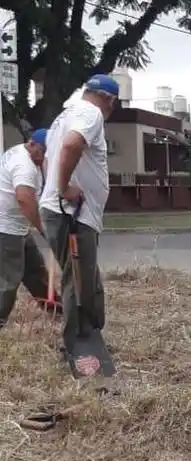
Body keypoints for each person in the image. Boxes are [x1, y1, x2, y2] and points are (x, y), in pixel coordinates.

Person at [40, 73, 119, 353]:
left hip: (71, 212)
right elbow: (72, 146)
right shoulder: (91, 113)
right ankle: (77, 345)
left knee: (87, 275)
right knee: (78, 278)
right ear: (109, 99)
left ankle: (93, 334)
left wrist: (55, 187)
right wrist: (63, 189)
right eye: (114, 104)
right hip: (71, 213)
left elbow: (49, 159)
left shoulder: (63, 117)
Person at [0, 128, 58, 327]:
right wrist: (44, 229)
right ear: (31, 144)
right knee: (8, 280)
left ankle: (57, 311)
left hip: (19, 227)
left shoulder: (27, 156)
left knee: (36, 271)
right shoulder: (24, 165)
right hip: (6, 229)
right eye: (42, 151)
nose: (44, 157)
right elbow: (24, 200)